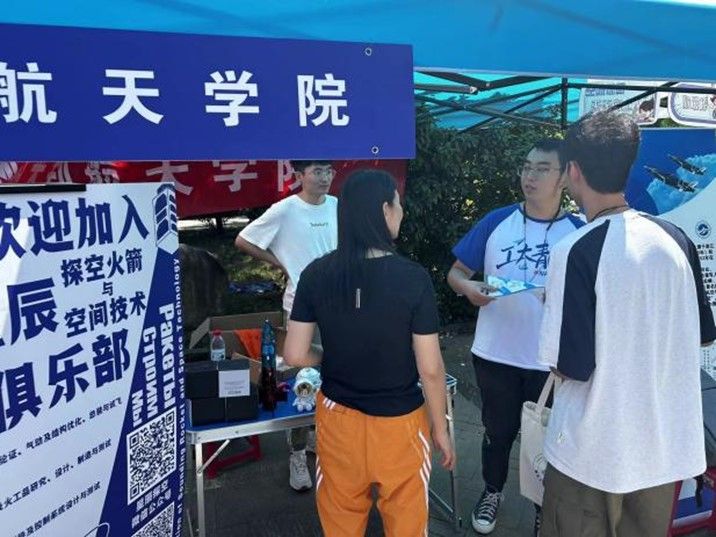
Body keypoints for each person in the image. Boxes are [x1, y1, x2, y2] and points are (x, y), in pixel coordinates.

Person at [538, 110, 716, 537]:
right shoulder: (677, 240)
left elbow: (568, 366)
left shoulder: (574, 250)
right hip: (660, 452)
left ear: (573, 171)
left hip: (590, 454)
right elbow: (703, 336)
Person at [283, 169, 455, 537]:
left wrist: (329, 357)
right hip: (401, 424)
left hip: (337, 420)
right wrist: (440, 427)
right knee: (407, 525)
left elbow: (295, 354)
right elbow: (430, 368)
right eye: (398, 204)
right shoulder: (413, 278)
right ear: (384, 210)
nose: (402, 212)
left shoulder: (316, 274)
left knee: (341, 524)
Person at [447, 139, 584, 535]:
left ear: (564, 176)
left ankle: (544, 505)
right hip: (496, 354)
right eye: (526, 166)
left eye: (542, 168)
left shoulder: (579, 231)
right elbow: (456, 272)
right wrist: (468, 289)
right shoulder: (496, 221)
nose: (530, 176)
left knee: (547, 439)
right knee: (498, 431)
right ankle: (492, 491)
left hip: (551, 361)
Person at [234, 160, 337, 491]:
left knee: (334, 374)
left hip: (338, 306)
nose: (324, 177)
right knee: (302, 377)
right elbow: (244, 240)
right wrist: (281, 262)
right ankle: (297, 451)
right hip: (301, 307)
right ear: (299, 175)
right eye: (317, 171)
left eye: (329, 170)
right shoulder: (285, 210)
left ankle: (319, 437)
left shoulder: (338, 206)